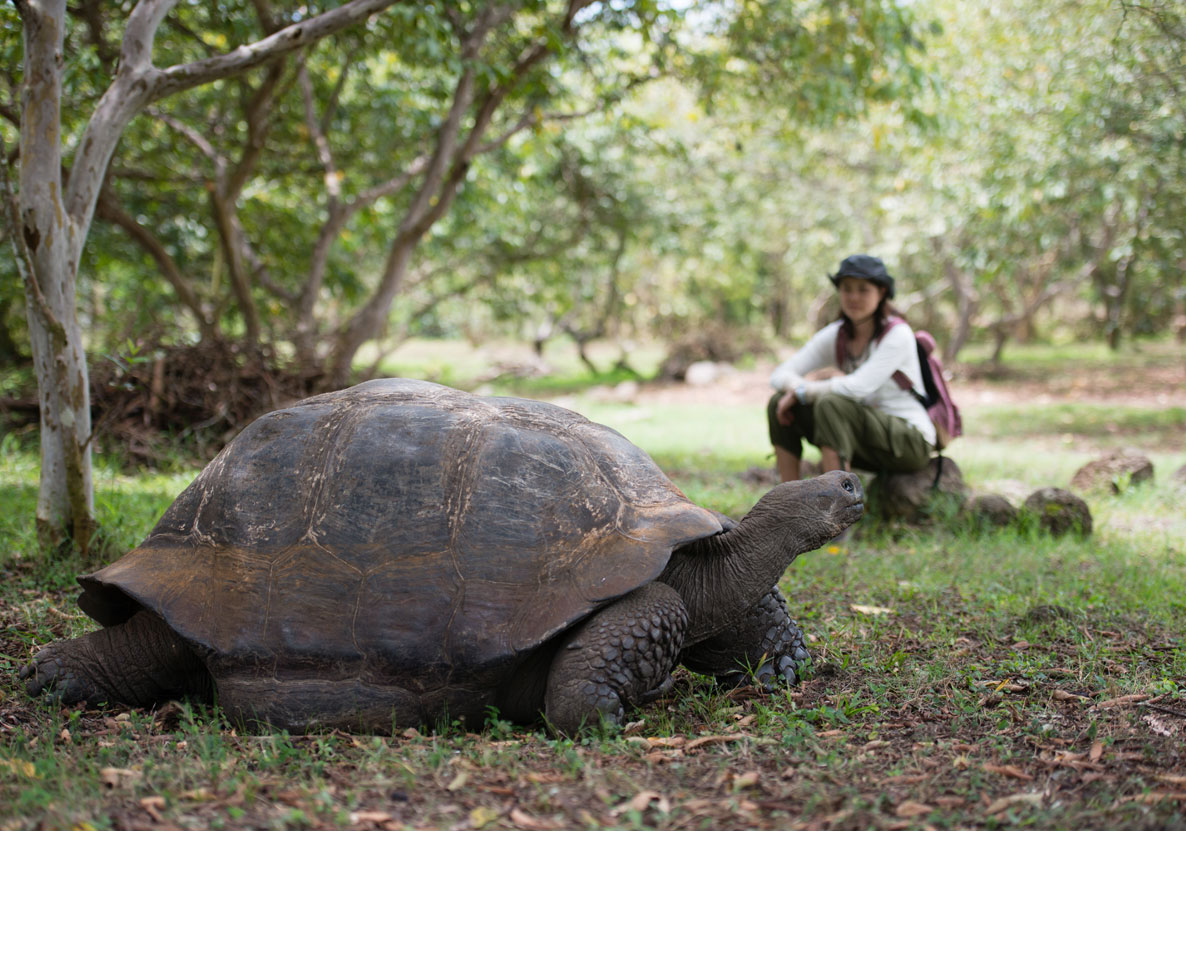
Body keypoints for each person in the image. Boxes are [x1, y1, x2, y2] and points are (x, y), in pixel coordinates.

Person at [768, 254, 935, 482]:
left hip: (910, 441)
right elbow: (780, 374)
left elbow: (857, 388)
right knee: (778, 402)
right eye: (847, 289)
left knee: (832, 403)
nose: (853, 297)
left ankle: (837, 512)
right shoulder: (837, 334)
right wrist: (795, 392)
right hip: (864, 438)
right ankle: (787, 501)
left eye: (863, 289)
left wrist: (800, 392)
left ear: (882, 292)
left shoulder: (898, 334)